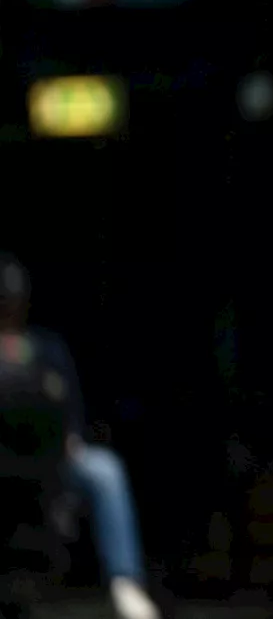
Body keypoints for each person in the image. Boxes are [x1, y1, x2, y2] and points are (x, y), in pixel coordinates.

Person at [0, 252, 160, 619]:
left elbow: (70, 409)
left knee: (104, 469)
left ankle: (125, 583)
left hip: (53, 461)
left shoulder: (45, 347)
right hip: (6, 462)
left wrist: (69, 438)